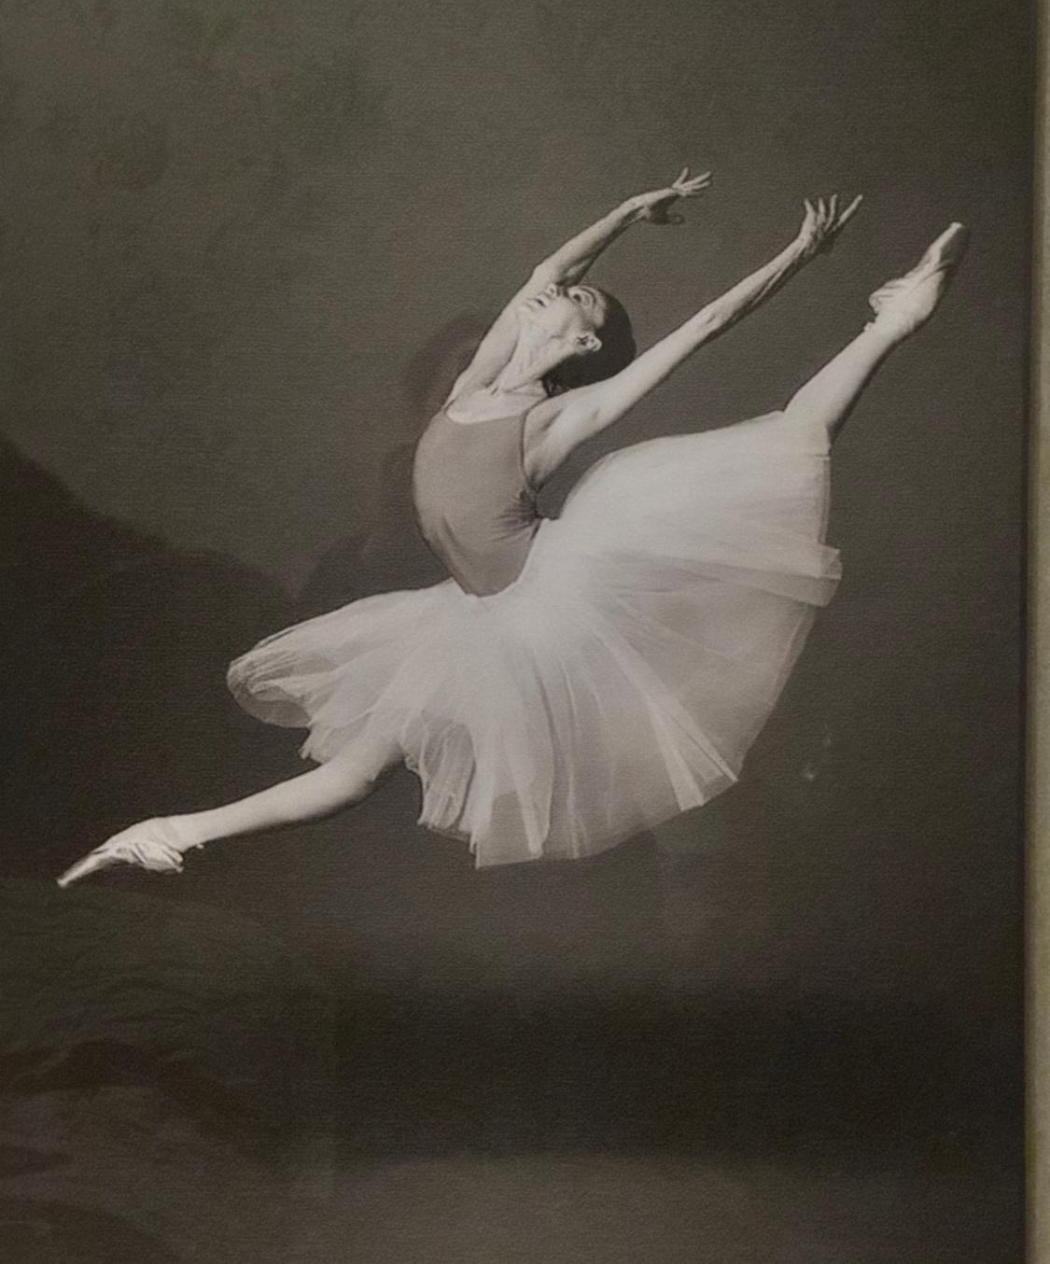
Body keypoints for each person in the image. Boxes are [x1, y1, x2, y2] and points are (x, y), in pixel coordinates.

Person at [57, 171, 968, 884]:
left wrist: (797, 254)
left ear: (582, 344)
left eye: (583, 301)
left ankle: (894, 321)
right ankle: (165, 835)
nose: (563, 291)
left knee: (784, 444)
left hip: (544, 599)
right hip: (466, 614)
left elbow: (705, 327)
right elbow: (545, 271)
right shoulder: (476, 382)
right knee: (351, 776)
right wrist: (627, 213)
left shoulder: (554, 420)